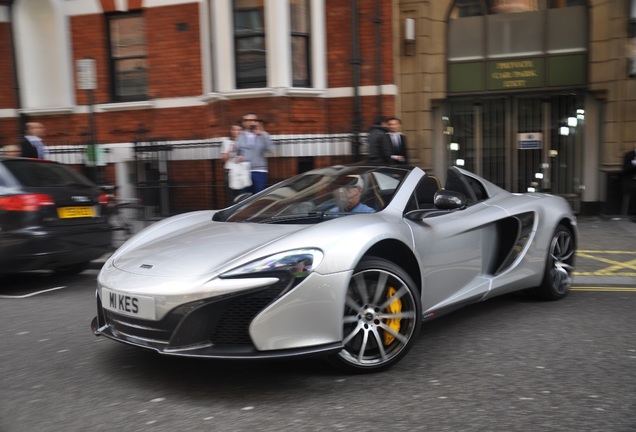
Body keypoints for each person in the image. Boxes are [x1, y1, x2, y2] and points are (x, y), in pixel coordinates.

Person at [235, 112, 275, 194]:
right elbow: (234, 152)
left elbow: (271, 150)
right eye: (248, 120)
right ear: (243, 123)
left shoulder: (264, 135)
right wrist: (237, 158)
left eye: (254, 120)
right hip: (244, 171)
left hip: (259, 170)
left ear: (257, 122)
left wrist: (262, 135)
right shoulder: (239, 136)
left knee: (259, 196)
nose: (251, 122)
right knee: (244, 197)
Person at [221, 122, 244, 205]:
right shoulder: (226, 142)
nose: (236, 132)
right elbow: (224, 159)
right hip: (230, 171)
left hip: (242, 172)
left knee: (242, 196)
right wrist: (231, 149)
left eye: (239, 130)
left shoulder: (245, 143)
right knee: (231, 196)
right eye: (234, 130)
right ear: (231, 131)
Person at [622, 146, 636, 216]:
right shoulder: (629, 155)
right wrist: (634, 165)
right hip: (631, 180)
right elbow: (625, 170)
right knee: (634, 190)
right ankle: (634, 213)